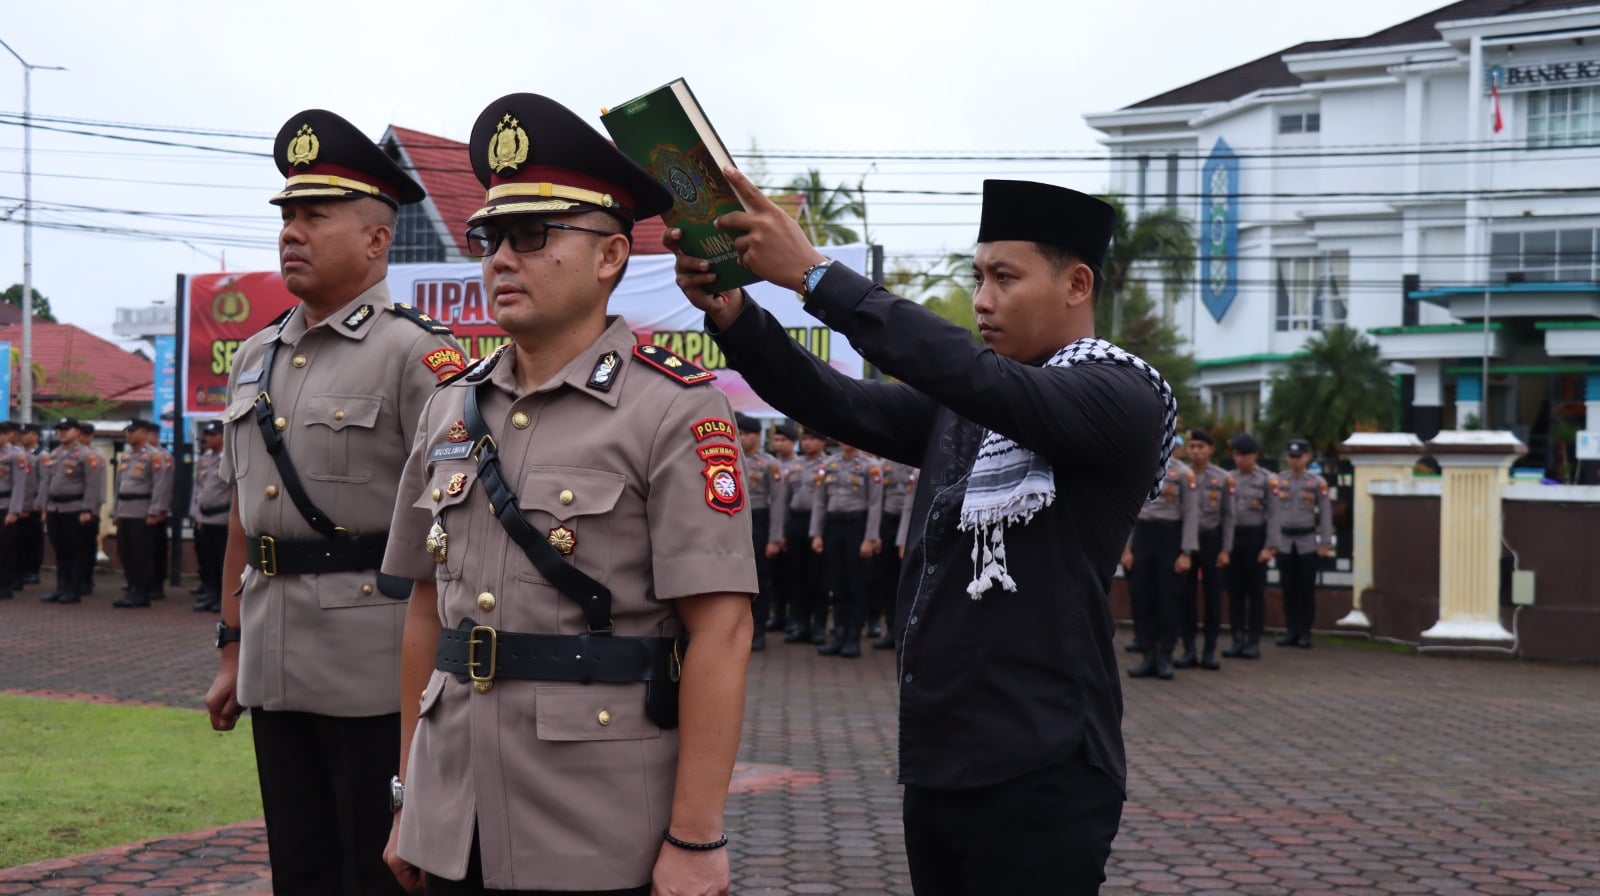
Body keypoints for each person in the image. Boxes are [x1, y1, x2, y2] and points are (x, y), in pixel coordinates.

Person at [669, 174, 1174, 894]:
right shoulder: (971, 402)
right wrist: (735, 315)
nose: (983, 299)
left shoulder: (1119, 396)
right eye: (978, 277)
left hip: (1045, 764)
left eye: (1005, 277)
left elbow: (975, 377)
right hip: (940, 756)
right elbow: (838, 402)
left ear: (1077, 284)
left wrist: (816, 276)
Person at [380, 92, 755, 896]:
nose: (501, 259)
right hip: (453, 811)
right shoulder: (450, 407)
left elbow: (721, 629)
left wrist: (696, 836)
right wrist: (410, 798)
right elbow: (424, 612)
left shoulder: (674, 409)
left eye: (533, 236)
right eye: (491, 239)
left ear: (611, 255)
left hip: (595, 821)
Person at [203, 108, 464, 896]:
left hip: (374, 668)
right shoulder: (255, 355)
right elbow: (246, 518)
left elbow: (459, 530)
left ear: (377, 240)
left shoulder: (418, 354)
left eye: (316, 216)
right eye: (287, 216)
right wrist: (231, 647)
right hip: (274, 658)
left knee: (376, 872)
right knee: (300, 869)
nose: (292, 232)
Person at [1121, 454, 1197, 680]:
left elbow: (1190, 513)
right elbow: (1130, 509)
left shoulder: (1183, 473)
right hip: (1143, 535)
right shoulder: (1139, 465)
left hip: (1169, 536)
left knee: (1168, 599)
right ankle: (1147, 655)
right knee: (1142, 598)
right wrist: (1127, 548)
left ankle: (1165, 655)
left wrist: (1186, 552)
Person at [808, 442, 883, 657]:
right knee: (836, 583)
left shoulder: (871, 466)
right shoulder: (828, 464)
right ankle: (839, 635)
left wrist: (869, 538)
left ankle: (853, 638)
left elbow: (875, 505)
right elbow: (819, 501)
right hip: (833, 526)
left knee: (856, 584)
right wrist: (816, 534)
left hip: (856, 526)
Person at [1175, 428, 1231, 670]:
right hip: (1185, 542)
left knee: (1213, 597)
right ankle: (1188, 649)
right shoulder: (1181, 475)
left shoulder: (1222, 478)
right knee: (1185, 597)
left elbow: (1228, 516)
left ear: (1211, 450)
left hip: (1211, 541)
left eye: (1201, 447)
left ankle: (1209, 651)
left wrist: (1226, 549)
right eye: (1192, 446)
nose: (1196, 451)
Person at [1269, 438, 1333, 648]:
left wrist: (1325, 542)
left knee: (1305, 589)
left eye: (1298, 456)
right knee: (1288, 588)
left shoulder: (1317, 482)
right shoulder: (1279, 481)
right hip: (1285, 541)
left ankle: (1305, 632)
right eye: (1291, 456)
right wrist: (1272, 540)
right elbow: (1272, 512)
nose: (1294, 460)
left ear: (1307, 457)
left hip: (1307, 542)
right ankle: (1291, 630)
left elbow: (1325, 513)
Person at [772, 426, 828, 644]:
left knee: (819, 578)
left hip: (818, 524)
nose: (807, 443)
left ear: (822, 442)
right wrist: (782, 532)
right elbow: (783, 501)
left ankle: (819, 626)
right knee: (796, 576)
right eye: (804, 439)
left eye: (812, 439)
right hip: (795, 522)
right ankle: (799, 623)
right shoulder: (795, 466)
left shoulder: (828, 465)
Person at [37, 417, 103, 604]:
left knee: (76, 550)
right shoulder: (54, 454)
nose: (62, 433)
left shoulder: (87, 455)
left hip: (75, 507)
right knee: (60, 550)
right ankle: (61, 588)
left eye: (66, 429)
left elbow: (92, 485)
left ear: (77, 432)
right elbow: (47, 483)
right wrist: (44, 508)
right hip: (55, 508)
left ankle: (73, 589)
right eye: (59, 429)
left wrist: (88, 509)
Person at [1221, 433, 1274, 659]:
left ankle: (1253, 641)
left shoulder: (1266, 480)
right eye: (1236, 454)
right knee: (1235, 592)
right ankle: (1237, 639)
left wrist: (1269, 547)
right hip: (1233, 538)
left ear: (1254, 455)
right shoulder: (1229, 479)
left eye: (1243, 454)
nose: (1238, 459)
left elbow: (1274, 515)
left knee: (1255, 593)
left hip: (1255, 538)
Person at [110, 419, 172, 609]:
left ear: (144, 433)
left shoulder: (155, 456)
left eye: (133, 431)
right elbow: (119, 485)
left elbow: (160, 486)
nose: (129, 434)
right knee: (125, 552)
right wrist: (115, 510)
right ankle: (132, 587)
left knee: (141, 554)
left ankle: (142, 592)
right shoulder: (126, 457)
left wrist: (154, 511)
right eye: (127, 431)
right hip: (125, 511)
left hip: (142, 511)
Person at [738, 413, 782, 651]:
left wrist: (775, 538)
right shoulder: (731, 457)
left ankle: (759, 630)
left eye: (746, 434)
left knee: (759, 579)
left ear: (758, 435)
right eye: (739, 433)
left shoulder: (769, 463)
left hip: (760, 520)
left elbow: (777, 502)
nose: (742, 438)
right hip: (736, 520)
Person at [870, 460, 915, 649]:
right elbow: (876, 500)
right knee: (887, 579)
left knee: (908, 581)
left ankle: (907, 632)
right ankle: (891, 630)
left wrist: (903, 539)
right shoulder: (884, 465)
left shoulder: (917, 465)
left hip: (911, 522)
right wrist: (875, 534)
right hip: (887, 521)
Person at [762, 420, 799, 632]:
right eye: (776, 439)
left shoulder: (800, 465)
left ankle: (794, 617)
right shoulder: (769, 463)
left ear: (793, 442)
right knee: (773, 575)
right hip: (770, 523)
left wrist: (784, 532)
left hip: (793, 524)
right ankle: (777, 615)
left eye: (783, 440)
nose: (779, 443)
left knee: (793, 575)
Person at [189, 419, 229, 612]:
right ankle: (211, 593)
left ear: (223, 436)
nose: (209, 438)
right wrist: (197, 515)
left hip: (223, 517)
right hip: (205, 517)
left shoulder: (230, 458)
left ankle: (223, 597)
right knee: (208, 560)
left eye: (214, 435)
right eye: (207, 435)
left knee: (223, 560)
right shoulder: (205, 458)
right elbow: (198, 488)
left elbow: (236, 490)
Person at [0, 422, 28, 599]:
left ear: (5, 436)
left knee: (5, 548)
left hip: (5, 505)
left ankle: (4, 584)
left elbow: (19, 484)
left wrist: (14, 511)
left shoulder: (15, 455)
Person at [17, 423, 45, 587]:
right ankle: (21, 570)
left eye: (25, 433)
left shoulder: (41, 456)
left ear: (35, 436)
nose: (22, 436)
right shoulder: (20, 454)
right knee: (20, 539)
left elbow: (43, 482)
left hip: (33, 505)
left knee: (33, 539)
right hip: (20, 503)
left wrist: (38, 504)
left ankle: (33, 570)